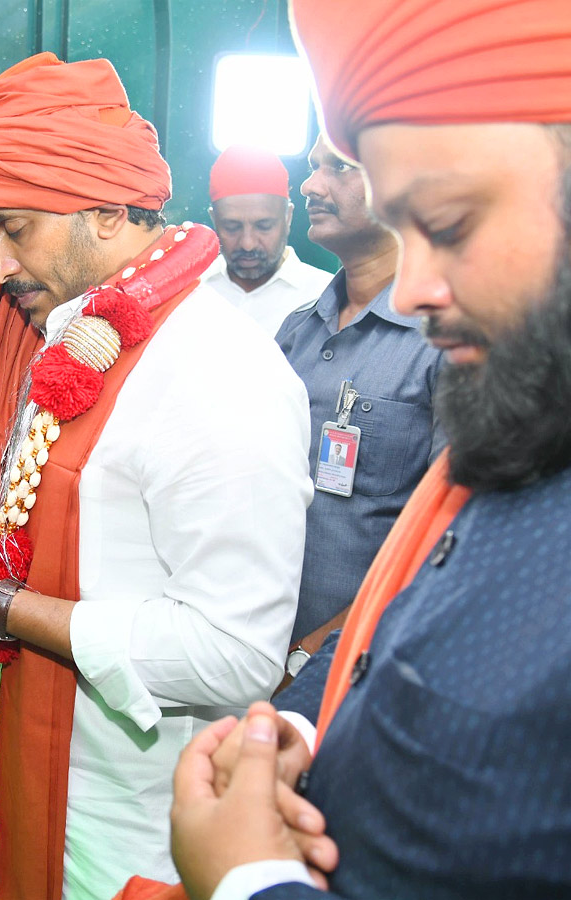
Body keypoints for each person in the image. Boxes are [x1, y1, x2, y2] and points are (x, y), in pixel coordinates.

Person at [0, 54, 313, 898]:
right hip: (32, 783)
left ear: (110, 212)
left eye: (16, 228)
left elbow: (233, 656)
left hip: (133, 823)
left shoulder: (218, 372)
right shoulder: (59, 340)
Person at [161, 2, 571, 899]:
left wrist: (247, 880)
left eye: (451, 225)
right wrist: (302, 735)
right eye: (404, 230)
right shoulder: (532, 418)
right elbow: (406, 621)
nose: (416, 287)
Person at [275, 136, 444, 670]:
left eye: (339, 168)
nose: (310, 185)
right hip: (255, 655)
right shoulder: (296, 332)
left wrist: (316, 653)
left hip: (369, 666)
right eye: (311, 167)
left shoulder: (447, 342)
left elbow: (447, 535)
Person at [202, 145, 332, 334]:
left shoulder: (324, 297)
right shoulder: (190, 292)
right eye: (232, 227)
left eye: (264, 226)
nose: (248, 244)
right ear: (214, 220)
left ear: (288, 217)